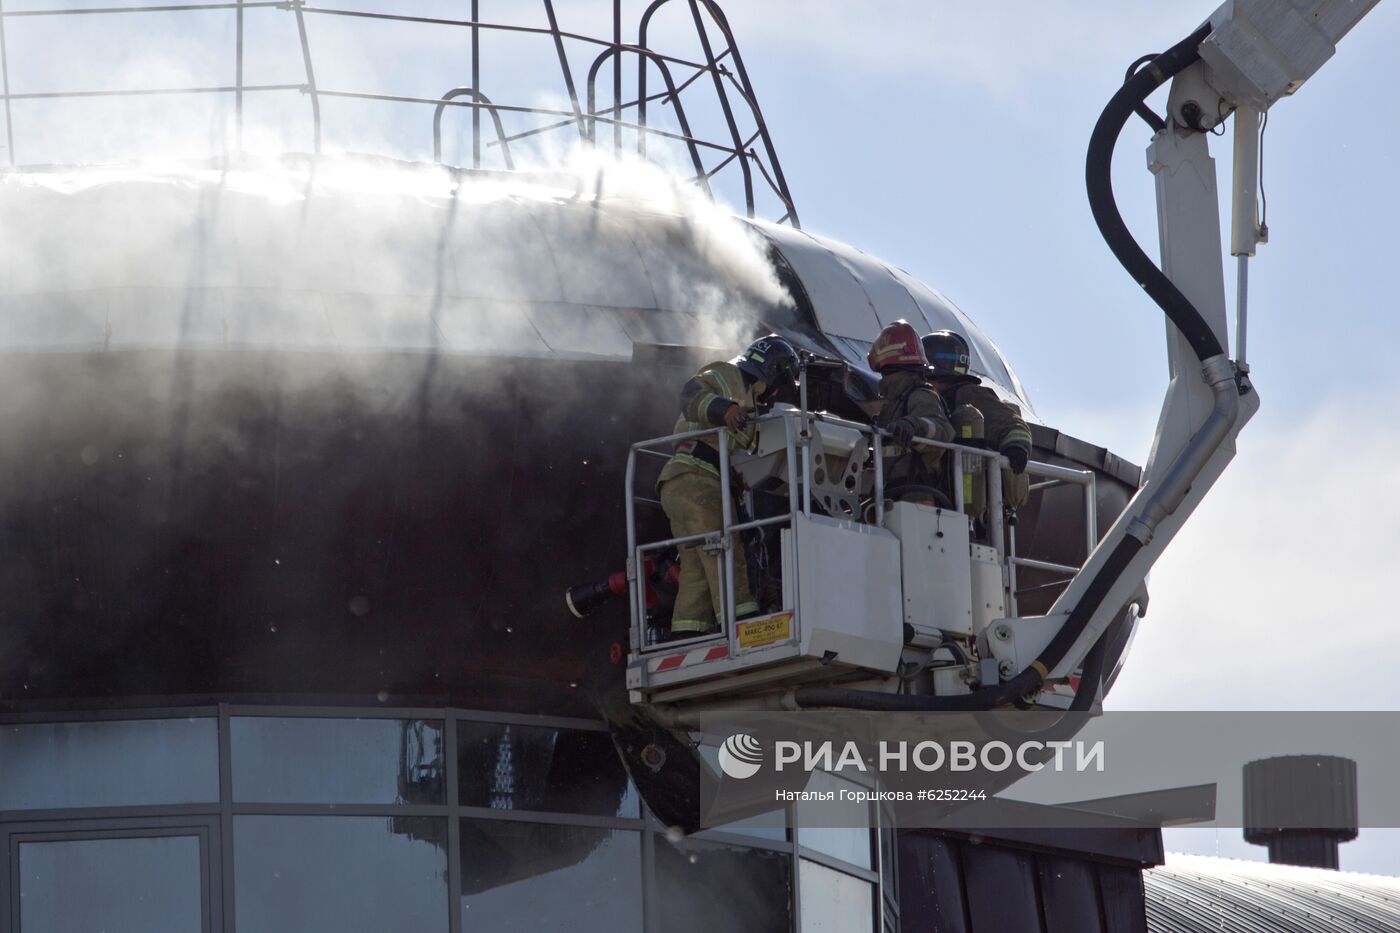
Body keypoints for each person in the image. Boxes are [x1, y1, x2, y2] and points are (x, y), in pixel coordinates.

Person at [657, 335, 799, 637]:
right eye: (777, 386)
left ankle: (687, 635)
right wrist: (724, 409)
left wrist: (734, 480)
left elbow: (723, 446)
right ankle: (744, 630)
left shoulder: (747, 398)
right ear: (772, 373)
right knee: (726, 554)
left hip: (680, 481)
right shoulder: (727, 374)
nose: (773, 395)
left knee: (696, 569)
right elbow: (690, 393)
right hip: (697, 480)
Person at [921, 330, 1033, 511]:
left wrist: (1016, 447)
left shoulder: (969, 395)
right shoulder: (934, 400)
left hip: (958, 501)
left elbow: (1012, 424)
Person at [869, 320, 955, 503]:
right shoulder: (893, 401)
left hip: (916, 502)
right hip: (891, 499)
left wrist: (913, 426)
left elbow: (942, 430)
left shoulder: (919, 394)